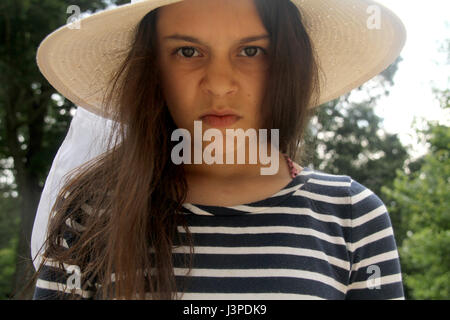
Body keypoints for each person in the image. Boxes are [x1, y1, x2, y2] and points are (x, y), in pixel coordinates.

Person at [28, 0, 407, 300]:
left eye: (252, 51)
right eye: (188, 52)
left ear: (288, 64)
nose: (221, 84)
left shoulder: (352, 216)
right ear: (153, 68)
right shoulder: (92, 213)